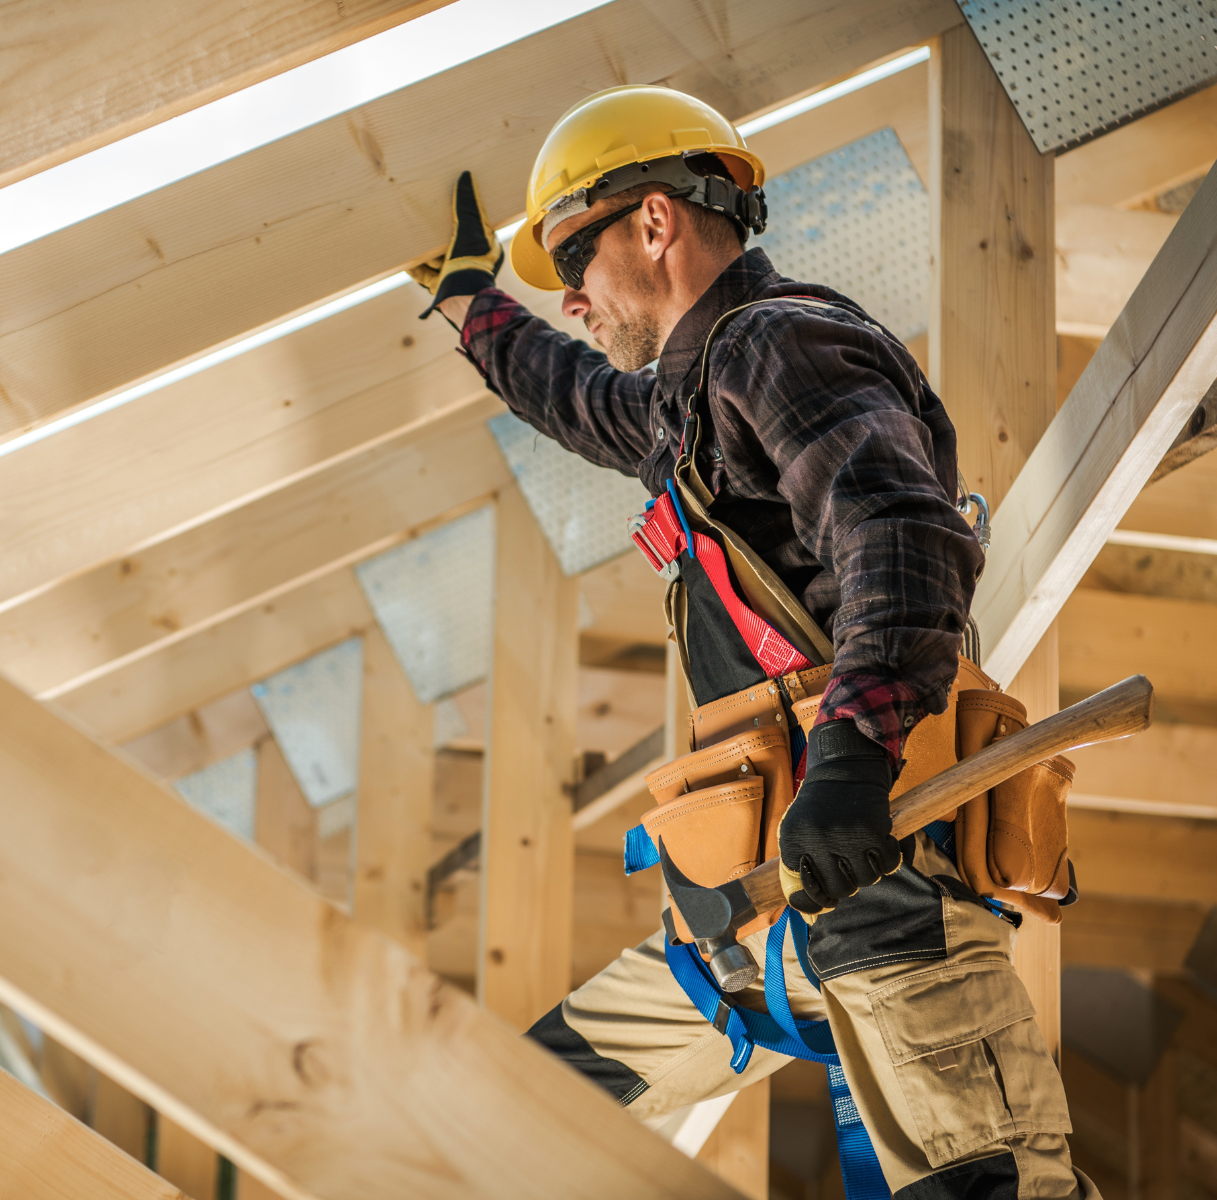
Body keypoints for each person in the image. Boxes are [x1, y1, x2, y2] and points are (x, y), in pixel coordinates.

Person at [411, 85, 1094, 1200]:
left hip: (881, 898)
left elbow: (903, 538)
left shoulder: (778, 346)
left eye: (572, 260)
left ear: (654, 222)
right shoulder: (688, 402)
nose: (573, 300)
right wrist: (467, 303)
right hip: (760, 925)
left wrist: (853, 766)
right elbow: (574, 395)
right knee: (510, 1110)